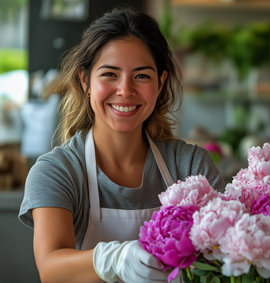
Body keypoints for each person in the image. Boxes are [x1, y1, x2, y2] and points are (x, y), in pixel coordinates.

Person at [19, 7, 225, 283]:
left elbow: (223, 257)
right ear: (85, 81)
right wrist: (115, 258)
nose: (125, 90)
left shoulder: (191, 166)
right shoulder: (58, 171)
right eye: (109, 74)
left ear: (161, 83)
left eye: (141, 76)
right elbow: (51, 269)